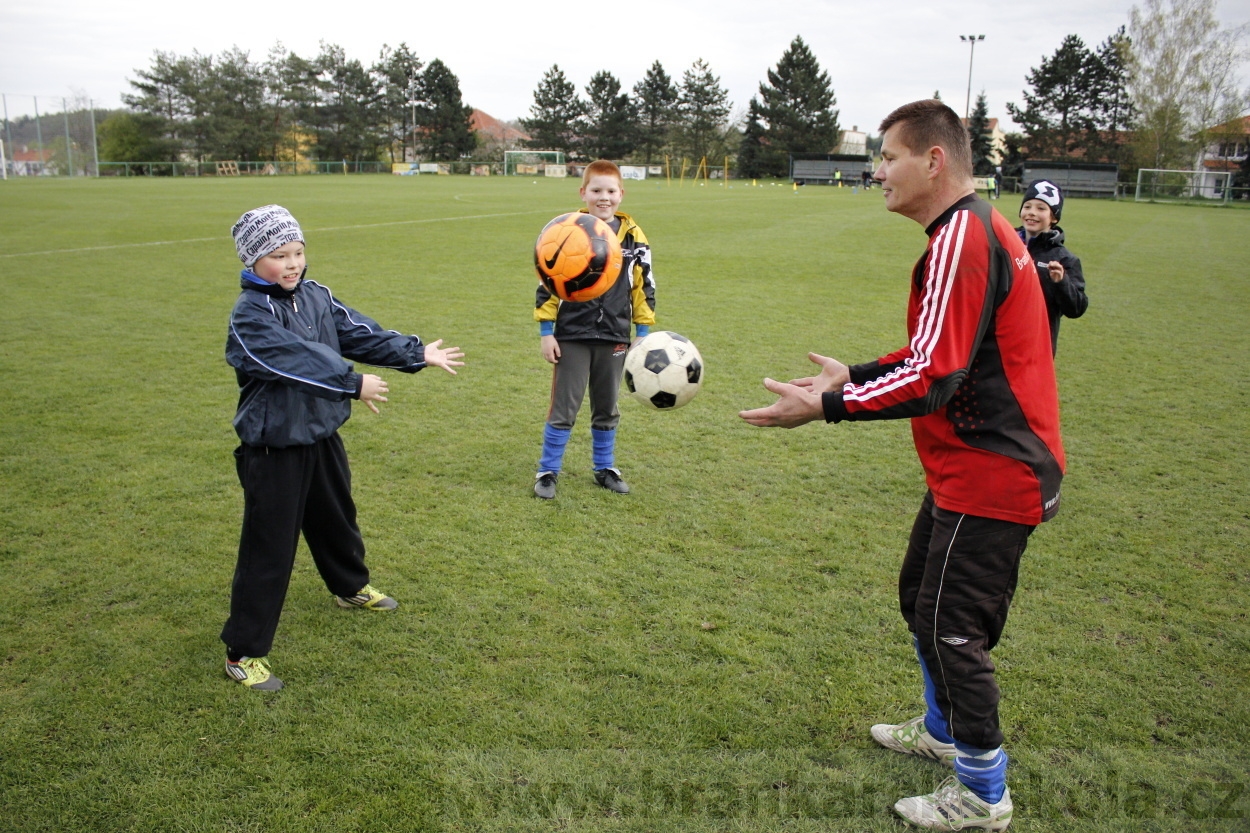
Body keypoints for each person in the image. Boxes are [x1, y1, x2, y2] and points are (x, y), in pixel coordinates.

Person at [740, 99, 1064, 831]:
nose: (877, 170)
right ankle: (941, 731)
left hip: (997, 472)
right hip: (969, 469)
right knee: (920, 594)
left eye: (887, 156)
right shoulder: (967, 231)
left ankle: (984, 794)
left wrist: (824, 407)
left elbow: (931, 379)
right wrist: (848, 374)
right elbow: (935, 356)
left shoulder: (964, 238)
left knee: (954, 628)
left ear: (934, 160)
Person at [222, 204, 465, 691]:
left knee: (337, 519)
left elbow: (357, 332)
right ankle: (243, 651)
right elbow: (295, 361)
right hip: (273, 447)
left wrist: (415, 353)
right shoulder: (249, 317)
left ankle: (349, 587)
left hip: (322, 433)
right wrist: (350, 383)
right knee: (268, 548)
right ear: (251, 261)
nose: (291, 264)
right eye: (277, 255)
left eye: (297, 252)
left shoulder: (315, 295)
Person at [532, 160, 656, 499]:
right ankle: (548, 471)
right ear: (583, 192)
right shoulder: (567, 230)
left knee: (607, 406)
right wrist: (546, 331)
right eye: (597, 190)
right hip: (572, 334)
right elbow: (548, 282)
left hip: (616, 334)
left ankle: (604, 467)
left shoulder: (633, 236)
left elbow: (643, 286)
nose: (604, 198)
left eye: (611, 191)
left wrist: (642, 333)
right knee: (564, 407)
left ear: (621, 194)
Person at [1017, 179, 1089, 355]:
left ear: (1054, 217)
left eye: (1041, 208)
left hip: (1036, 349)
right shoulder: (1004, 245)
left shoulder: (1064, 259)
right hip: (996, 344)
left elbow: (1076, 308)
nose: (1032, 213)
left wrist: (1061, 282)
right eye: (1027, 206)